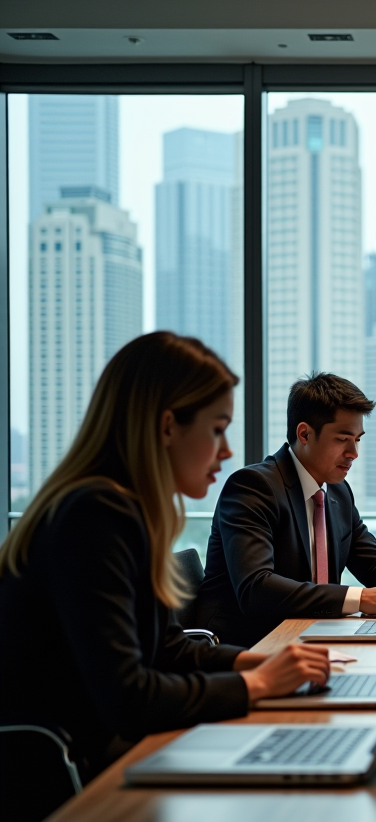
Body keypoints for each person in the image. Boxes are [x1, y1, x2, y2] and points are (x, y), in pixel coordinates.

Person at [0, 333, 331, 781]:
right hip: (68, 774)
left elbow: (166, 646)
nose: (228, 450)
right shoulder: (95, 514)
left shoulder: (124, 508)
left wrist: (255, 663)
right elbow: (128, 698)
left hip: (102, 748)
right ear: (168, 426)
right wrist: (259, 685)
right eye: (217, 429)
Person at [197, 373, 376, 648]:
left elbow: (369, 558)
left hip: (314, 638)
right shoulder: (253, 487)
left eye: (358, 439)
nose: (354, 452)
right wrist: (360, 599)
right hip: (249, 646)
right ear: (304, 434)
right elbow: (256, 589)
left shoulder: (338, 491)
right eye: (343, 439)